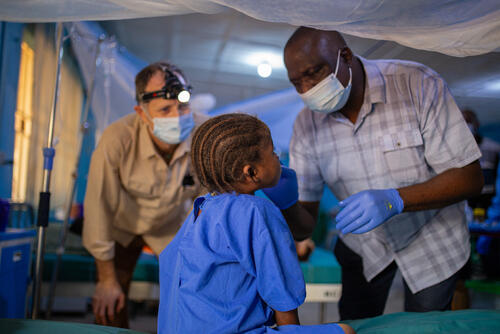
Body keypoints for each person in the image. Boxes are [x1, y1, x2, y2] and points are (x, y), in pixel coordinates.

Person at [277, 27, 484, 320]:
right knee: (357, 323)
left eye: (314, 73)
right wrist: (283, 201)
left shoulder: (416, 84)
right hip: (365, 247)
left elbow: (470, 178)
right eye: (297, 83)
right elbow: (306, 225)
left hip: (434, 240)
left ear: (345, 56)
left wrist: (394, 200)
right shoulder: (306, 125)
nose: (308, 89)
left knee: (425, 326)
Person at [158, 113, 354, 334]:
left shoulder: (201, 208)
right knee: (346, 331)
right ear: (251, 172)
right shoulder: (257, 210)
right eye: (272, 153)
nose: (278, 160)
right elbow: (281, 292)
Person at [83, 62, 207, 328]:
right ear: (142, 112)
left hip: (169, 226)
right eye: (165, 109)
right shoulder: (117, 138)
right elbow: (98, 207)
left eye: (183, 106)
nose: (177, 116)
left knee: (192, 294)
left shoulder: (203, 135)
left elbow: (213, 202)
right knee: (109, 304)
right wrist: (106, 279)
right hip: (123, 227)